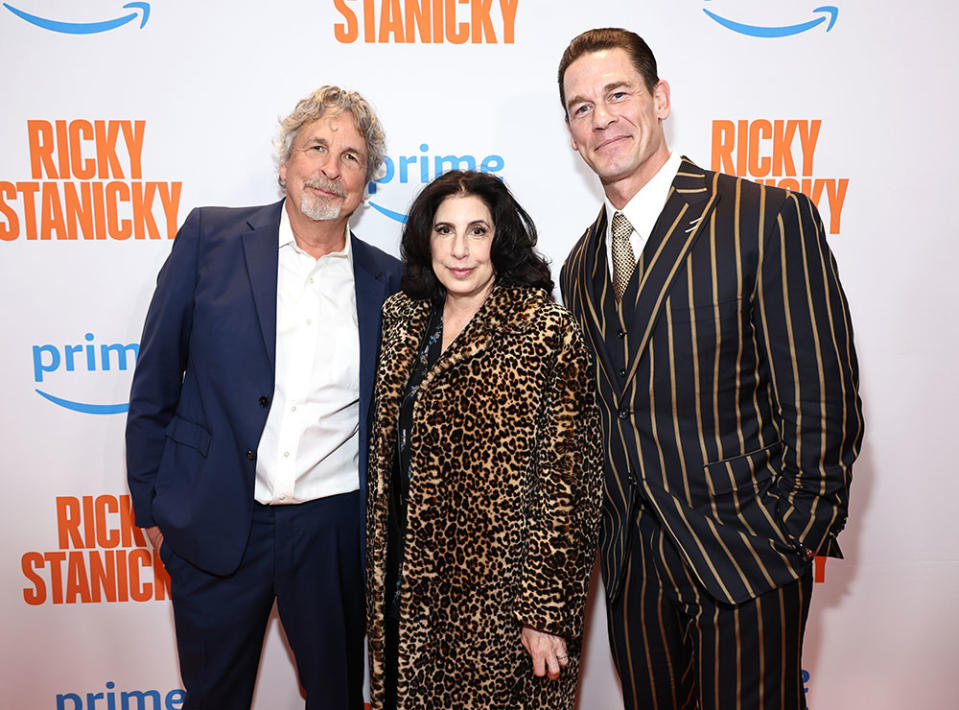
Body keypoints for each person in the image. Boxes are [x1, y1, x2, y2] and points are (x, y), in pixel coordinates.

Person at [557, 28, 863, 709]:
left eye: (617, 94)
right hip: (634, 573)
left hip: (745, 557)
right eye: (581, 108)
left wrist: (790, 534)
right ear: (571, 134)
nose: (601, 117)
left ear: (658, 98)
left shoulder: (763, 215)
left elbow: (823, 397)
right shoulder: (577, 267)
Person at [125, 86, 402, 709]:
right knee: (213, 698)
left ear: (365, 185)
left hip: (332, 531)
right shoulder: (209, 238)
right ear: (285, 164)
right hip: (217, 521)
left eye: (352, 157)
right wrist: (152, 508)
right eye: (318, 148)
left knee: (335, 698)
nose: (332, 168)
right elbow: (154, 381)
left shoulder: (389, 282)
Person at [364, 170, 603, 709]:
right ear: (426, 240)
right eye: (445, 231)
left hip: (499, 609)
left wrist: (545, 614)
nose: (460, 250)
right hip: (408, 595)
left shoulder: (546, 332)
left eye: (478, 231)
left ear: (501, 238)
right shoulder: (402, 320)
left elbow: (570, 488)